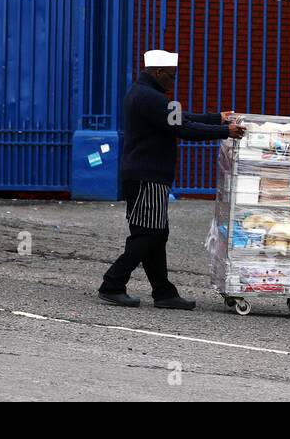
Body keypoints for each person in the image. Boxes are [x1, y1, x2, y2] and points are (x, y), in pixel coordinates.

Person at [98, 49, 244, 309]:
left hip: (146, 175)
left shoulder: (146, 94)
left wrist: (216, 118)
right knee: (148, 233)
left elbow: (181, 118)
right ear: (158, 72)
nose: (173, 82)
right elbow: (184, 128)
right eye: (171, 76)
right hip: (147, 176)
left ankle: (164, 292)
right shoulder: (149, 98)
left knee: (156, 233)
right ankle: (112, 283)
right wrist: (225, 130)